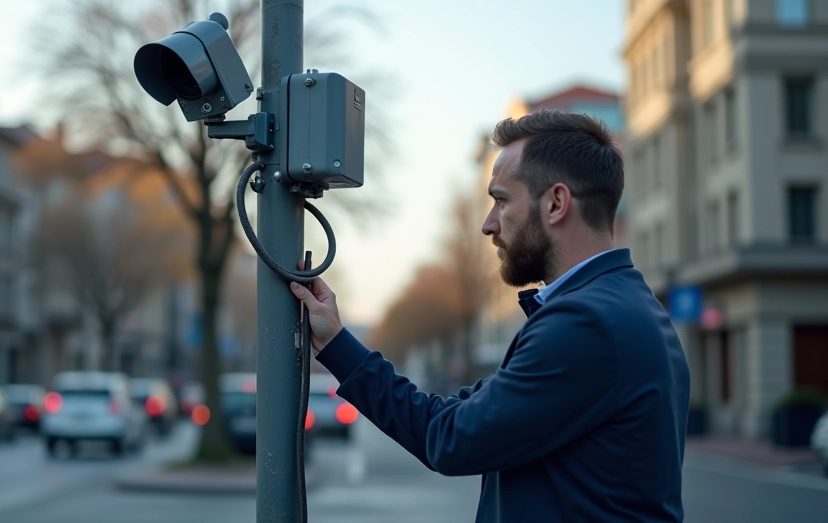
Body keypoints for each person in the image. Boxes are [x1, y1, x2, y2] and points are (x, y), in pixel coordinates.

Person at [290, 110, 690, 523]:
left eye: (501, 200)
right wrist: (337, 343)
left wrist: (339, 349)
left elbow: (448, 440)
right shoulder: (625, 305)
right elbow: (448, 419)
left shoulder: (586, 323)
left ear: (556, 203)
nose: (488, 224)